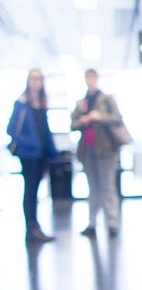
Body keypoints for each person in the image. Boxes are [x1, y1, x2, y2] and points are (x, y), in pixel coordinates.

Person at [6, 68, 59, 243]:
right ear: (28, 81)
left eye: (39, 79)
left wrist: (52, 150)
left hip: (41, 154)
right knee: (30, 191)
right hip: (28, 155)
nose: (36, 82)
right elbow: (11, 129)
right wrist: (31, 142)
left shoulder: (41, 103)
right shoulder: (21, 104)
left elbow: (46, 130)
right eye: (33, 78)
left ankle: (35, 226)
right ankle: (31, 228)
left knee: (35, 191)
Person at [70, 68, 125, 238]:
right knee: (92, 187)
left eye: (92, 77)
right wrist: (82, 120)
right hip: (87, 149)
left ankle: (112, 222)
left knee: (107, 185)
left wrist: (98, 116)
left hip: (106, 149)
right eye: (88, 78)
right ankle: (92, 222)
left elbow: (117, 118)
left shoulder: (106, 99)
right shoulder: (82, 102)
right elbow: (72, 124)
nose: (90, 81)